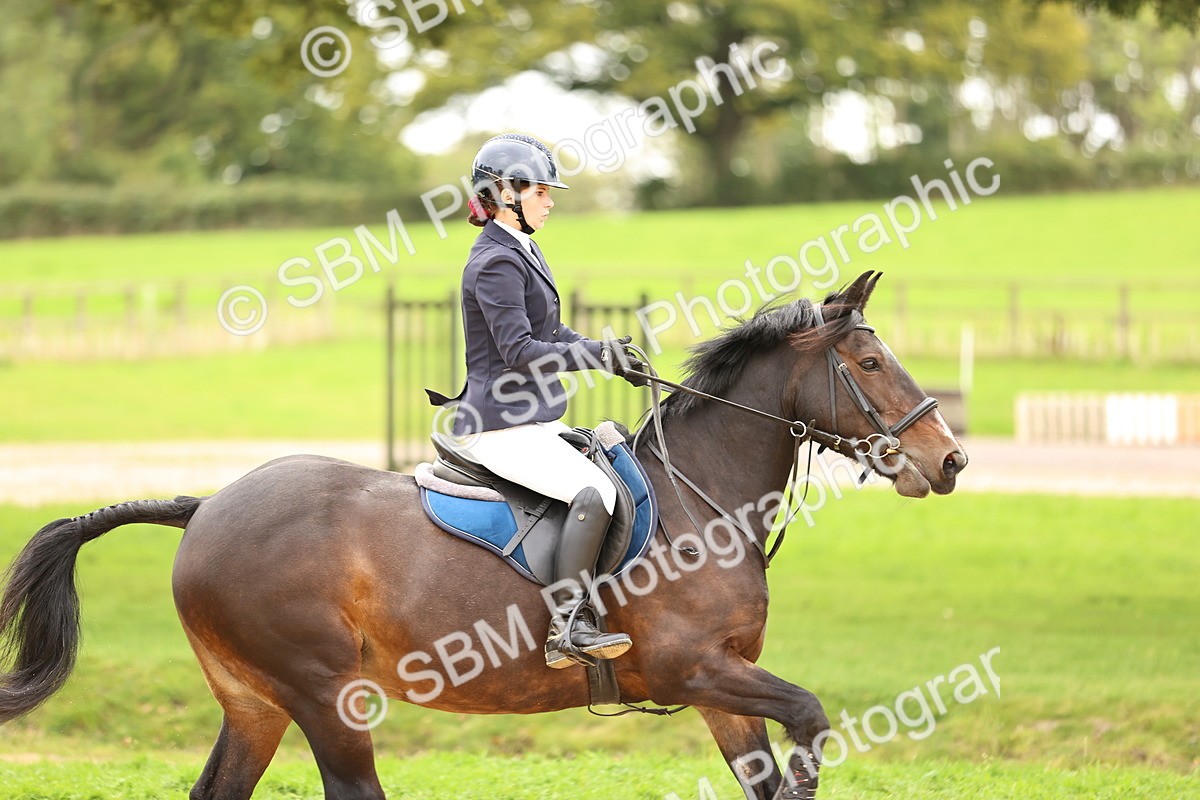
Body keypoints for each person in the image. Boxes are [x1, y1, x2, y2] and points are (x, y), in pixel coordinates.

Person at [428, 133, 647, 670]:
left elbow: (551, 331)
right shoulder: (494, 262)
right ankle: (567, 626)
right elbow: (521, 350)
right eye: (541, 192)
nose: (549, 202)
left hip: (534, 419)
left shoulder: (520, 248)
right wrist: (595, 355)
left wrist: (607, 353)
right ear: (505, 194)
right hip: (501, 426)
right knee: (595, 492)